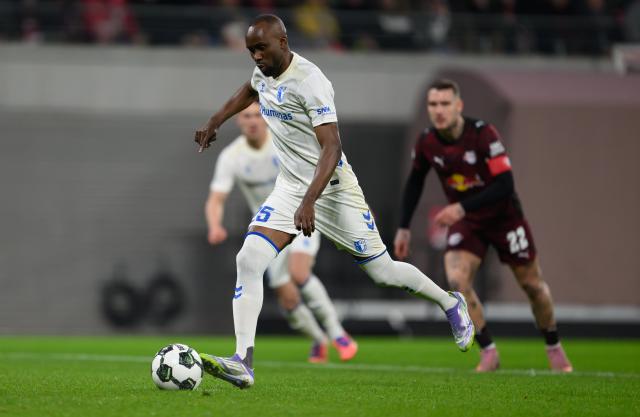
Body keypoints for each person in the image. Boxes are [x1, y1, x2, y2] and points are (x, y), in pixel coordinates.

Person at [193, 15, 474, 389]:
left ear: (283, 42)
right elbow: (249, 89)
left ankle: (450, 302)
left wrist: (310, 201)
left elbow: (333, 146)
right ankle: (243, 360)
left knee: (383, 271)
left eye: (262, 48)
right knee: (248, 259)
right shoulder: (264, 72)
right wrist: (215, 120)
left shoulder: (310, 82)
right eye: (251, 51)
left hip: (333, 190)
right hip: (291, 187)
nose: (256, 57)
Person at [393, 79, 573, 373]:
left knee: (532, 285)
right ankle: (488, 351)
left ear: (459, 106)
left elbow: (505, 184)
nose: (438, 110)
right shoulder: (427, 141)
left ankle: (553, 346)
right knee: (457, 281)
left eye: (444, 104)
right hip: (468, 224)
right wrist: (403, 227)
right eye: (432, 104)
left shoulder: (483, 134)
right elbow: (415, 181)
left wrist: (460, 207)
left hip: (505, 218)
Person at [205, 101, 358, 363]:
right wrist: (214, 225)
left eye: (256, 115)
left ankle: (338, 333)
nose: (252, 121)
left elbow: (323, 163)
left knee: (299, 272)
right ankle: (318, 340)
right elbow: (216, 199)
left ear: (264, 118)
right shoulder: (232, 157)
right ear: (238, 121)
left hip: (302, 216)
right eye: (246, 116)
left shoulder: (282, 143)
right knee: (287, 300)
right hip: (270, 227)